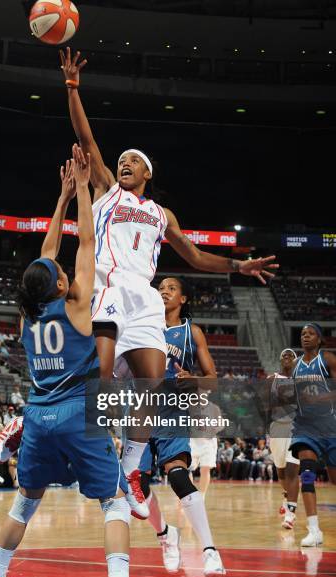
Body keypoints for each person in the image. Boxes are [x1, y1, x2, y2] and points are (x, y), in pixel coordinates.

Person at [60, 48, 279, 500]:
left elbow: (197, 258)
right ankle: (95, 458)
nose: (124, 163)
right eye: (121, 160)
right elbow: (87, 136)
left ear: (147, 172)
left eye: (132, 161)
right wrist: (73, 88)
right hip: (108, 288)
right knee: (98, 385)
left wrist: (239, 265)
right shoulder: (106, 192)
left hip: (144, 298)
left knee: (154, 392)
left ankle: (131, 469)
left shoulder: (162, 214)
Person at [0, 146, 164, 577]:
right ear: (62, 286)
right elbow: (86, 243)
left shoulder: (29, 315)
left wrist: (58, 200)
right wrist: (80, 190)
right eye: (62, 274)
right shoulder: (78, 307)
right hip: (79, 416)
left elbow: (45, 258)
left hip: (37, 416)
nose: (64, 270)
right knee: (116, 505)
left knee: (24, 504)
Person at [139, 277, 224, 575]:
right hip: (137, 409)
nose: (164, 291)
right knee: (136, 486)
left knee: (177, 474)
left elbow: (212, 378)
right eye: (161, 287)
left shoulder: (192, 332)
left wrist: (195, 380)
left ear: (183, 299)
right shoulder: (141, 324)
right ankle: (166, 534)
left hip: (172, 411)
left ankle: (210, 550)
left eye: (172, 288)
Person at [289, 323, 336, 547]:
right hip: (305, 427)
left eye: (310, 334)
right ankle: (314, 529)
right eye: (302, 334)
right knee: (306, 473)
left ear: (319, 339)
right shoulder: (296, 365)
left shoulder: (327, 359)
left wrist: (319, 399)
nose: (305, 337)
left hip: (329, 426)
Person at [267, 349, 300, 529]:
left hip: (296, 427)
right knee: (281, 472)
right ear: (280, 361)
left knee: (292, 471)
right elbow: (265, 406)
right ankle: (287, 496)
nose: (287, 358)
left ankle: (290, 514)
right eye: (284, 356)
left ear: (295, 361)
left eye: (291, 356)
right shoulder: (272, 379)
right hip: (277, 427)